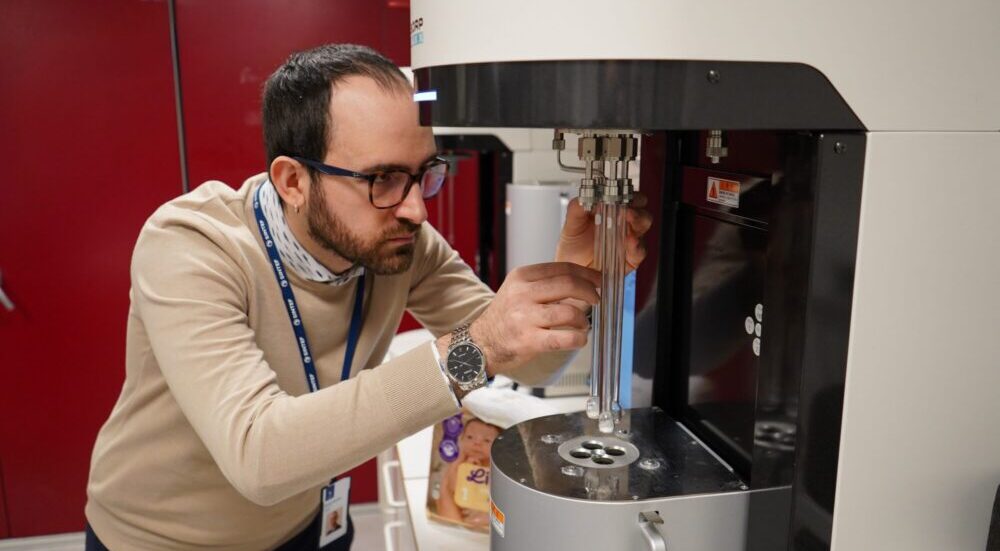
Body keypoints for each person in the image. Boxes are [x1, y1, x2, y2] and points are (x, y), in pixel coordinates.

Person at [84, 43, 651, 550]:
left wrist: (580, 275)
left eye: (425, 173)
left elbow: (539, 362)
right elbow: (258, 455)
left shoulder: (400, 243)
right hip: (163, 541)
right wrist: (476, 349)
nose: (417, 209)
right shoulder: (193, 247)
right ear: (292, 182)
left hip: (312, 524)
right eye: (382, 178)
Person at [435, 417, 501, 530]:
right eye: (470, 437)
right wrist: (462, 468)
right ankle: (454, 527)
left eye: (487, 440)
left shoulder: (495, 468)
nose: (477, 443)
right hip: (459, 508)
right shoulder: (461, 463)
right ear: (461, 440)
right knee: (445, 492)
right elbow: (451, 486)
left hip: (484, 510)